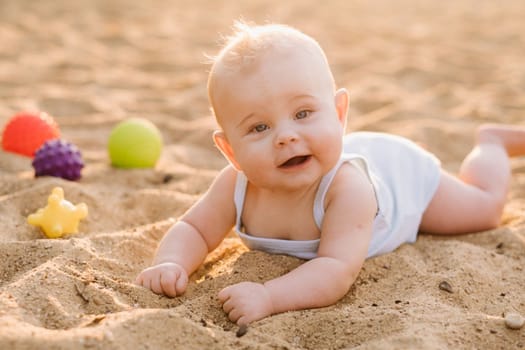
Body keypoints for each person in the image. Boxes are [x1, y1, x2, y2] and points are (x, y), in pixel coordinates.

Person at [135, 21, 525, 326]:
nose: (286, 136)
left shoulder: (346, 190)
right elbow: (195, 228)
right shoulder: (235, 185)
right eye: (259, 128)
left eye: (303, 114)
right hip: (370, 161)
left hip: (403, 181)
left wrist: (269, 297)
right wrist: (171, 263)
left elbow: (335, 269)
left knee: (486, 209)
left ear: (339, 115)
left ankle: (491, 143)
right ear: (231, 152)